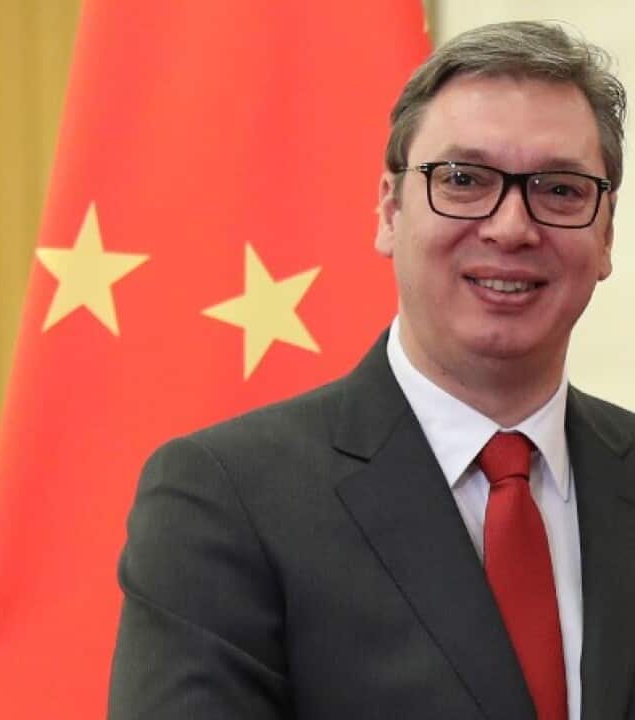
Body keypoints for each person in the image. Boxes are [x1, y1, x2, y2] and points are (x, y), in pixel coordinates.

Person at [109, 21, 634, 720]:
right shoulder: (225, 497)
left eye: (561, 190)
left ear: (604, 235)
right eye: (464, 180)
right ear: (390, 211)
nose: (512, 227)